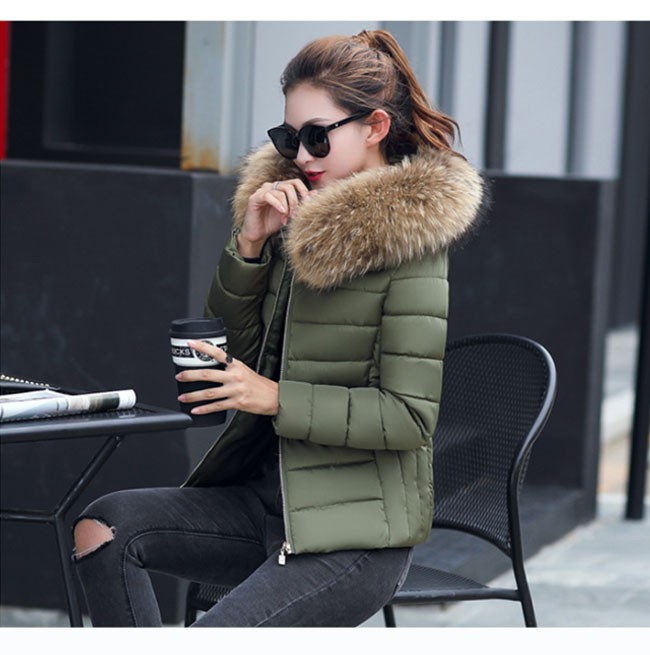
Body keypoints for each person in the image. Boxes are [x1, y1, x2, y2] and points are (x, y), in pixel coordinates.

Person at [72, 29, 484, 627]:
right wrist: (249, 245)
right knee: (104, 528)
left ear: (374, 127)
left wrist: (274, 397)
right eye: (289, 138)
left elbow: (406, 417)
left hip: (352, 537)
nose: (303, 156)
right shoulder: (295, 217)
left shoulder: (410, 247)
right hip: (262, 505)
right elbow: (234, 352)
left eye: (318, 136)